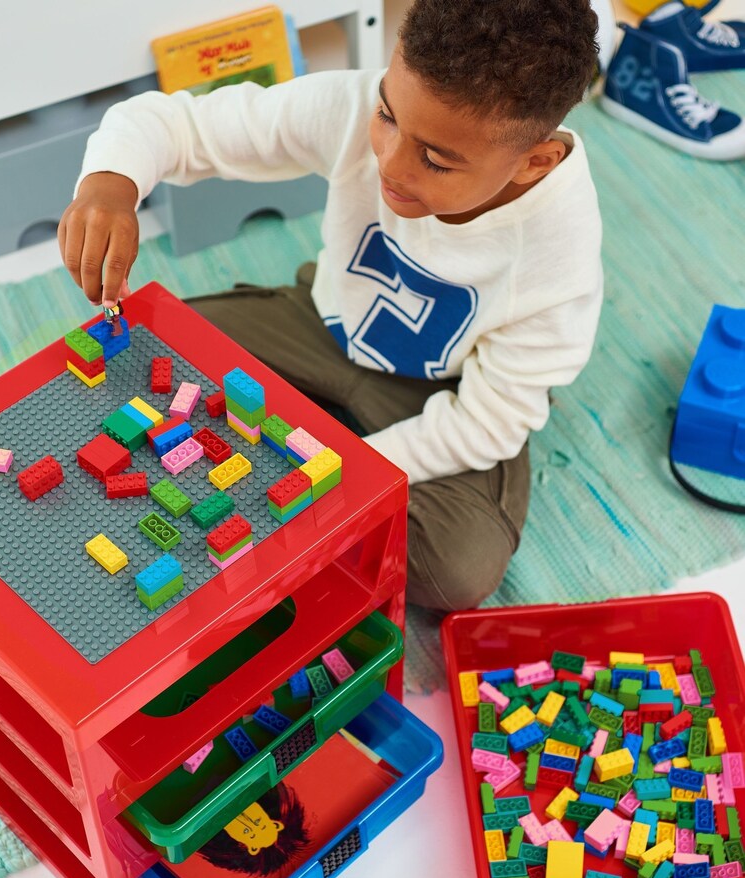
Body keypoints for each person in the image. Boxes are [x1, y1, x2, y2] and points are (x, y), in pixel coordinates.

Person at [58, 0, 603, 612]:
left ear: (535, 162)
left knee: (459, 569)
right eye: (388, 117)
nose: (389, 165)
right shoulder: (353, 106)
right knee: (136, 353)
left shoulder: (561, 248)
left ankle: (315, 453)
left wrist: (337, 471)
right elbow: (173, 125)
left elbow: (489, 422)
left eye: (436, 161)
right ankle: (306, 428)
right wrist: (110, 184)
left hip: (440, 391)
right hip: (322, 324)